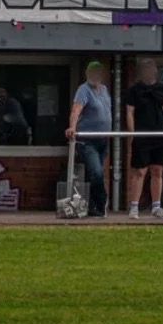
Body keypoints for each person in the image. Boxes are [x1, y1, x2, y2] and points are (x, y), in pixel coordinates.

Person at [123, 58, 163, 221]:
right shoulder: (134, 90)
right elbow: (130, 112)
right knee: (139, 171)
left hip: (160, 135)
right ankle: (134, 206)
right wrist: (132, 134)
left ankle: (156, 206)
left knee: (157, 171)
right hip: (142, 134)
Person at [66, 61, 113, 218]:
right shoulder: (83, 90)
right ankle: (101, 203)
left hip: (103, 139)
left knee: (97, 174)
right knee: (97, 172)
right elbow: (76, 109)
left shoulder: (104, 90)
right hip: (87, 140)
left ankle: (93, 207)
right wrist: (72, 127)